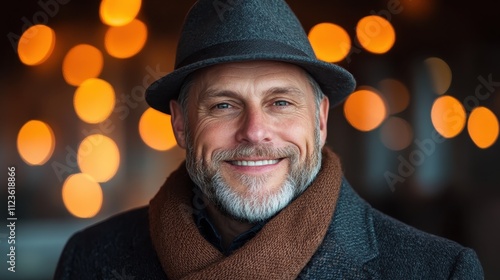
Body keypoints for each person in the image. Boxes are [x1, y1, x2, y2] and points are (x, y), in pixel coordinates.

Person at [54, 0, 484, 279]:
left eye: (280, 103)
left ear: (319, 119)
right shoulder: (89, 261)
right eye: (223, 105)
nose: (255, 131)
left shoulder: (438, 271)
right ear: (181, 124)